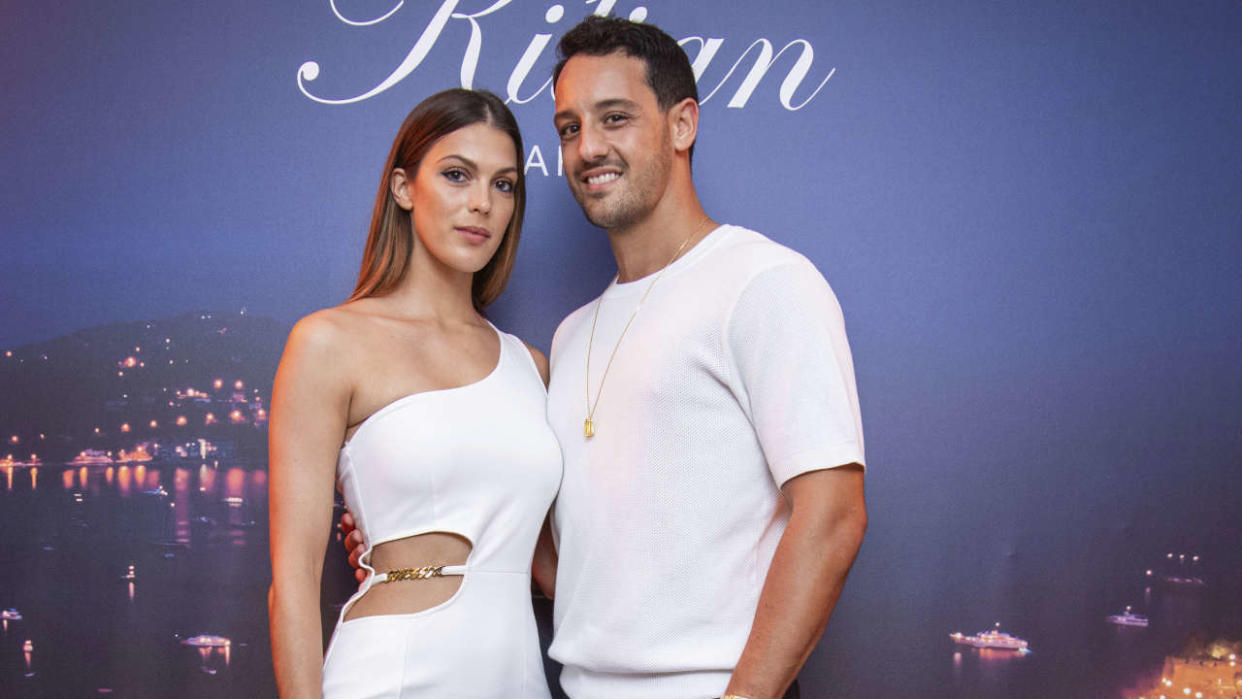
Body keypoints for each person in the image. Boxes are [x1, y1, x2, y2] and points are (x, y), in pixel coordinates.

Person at [346, 16, 867, 699]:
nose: (588, 147)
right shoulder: (570, 336)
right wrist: (408, 532)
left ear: (681, 125)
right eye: (569, 128)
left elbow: (832, 516)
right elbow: (584, 573)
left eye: (614, 117)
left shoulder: (762, 282)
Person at [268, 88, 561, 698]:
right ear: (404, 187)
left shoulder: (529, 367)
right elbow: (292, 584)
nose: (481, 203)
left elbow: (551, 567)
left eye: (504, 185)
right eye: (457, 175)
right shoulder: (328, 343)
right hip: (391, 675)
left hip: (516, 679)